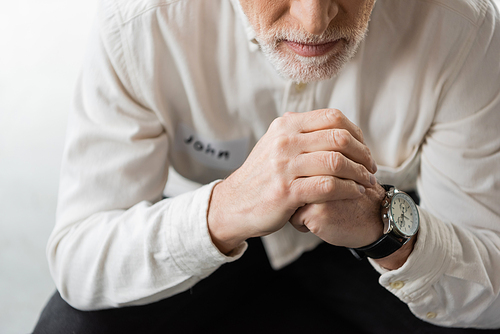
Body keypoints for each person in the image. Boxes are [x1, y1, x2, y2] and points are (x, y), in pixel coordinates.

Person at [33, 0, 500, 333]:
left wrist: (385, 229)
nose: (314, 20)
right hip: (220, 241)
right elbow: (79, 257)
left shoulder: (462, 26)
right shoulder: (138, 22)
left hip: (376, 243)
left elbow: (493, 282)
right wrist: (226, 209)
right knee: (71, 325)